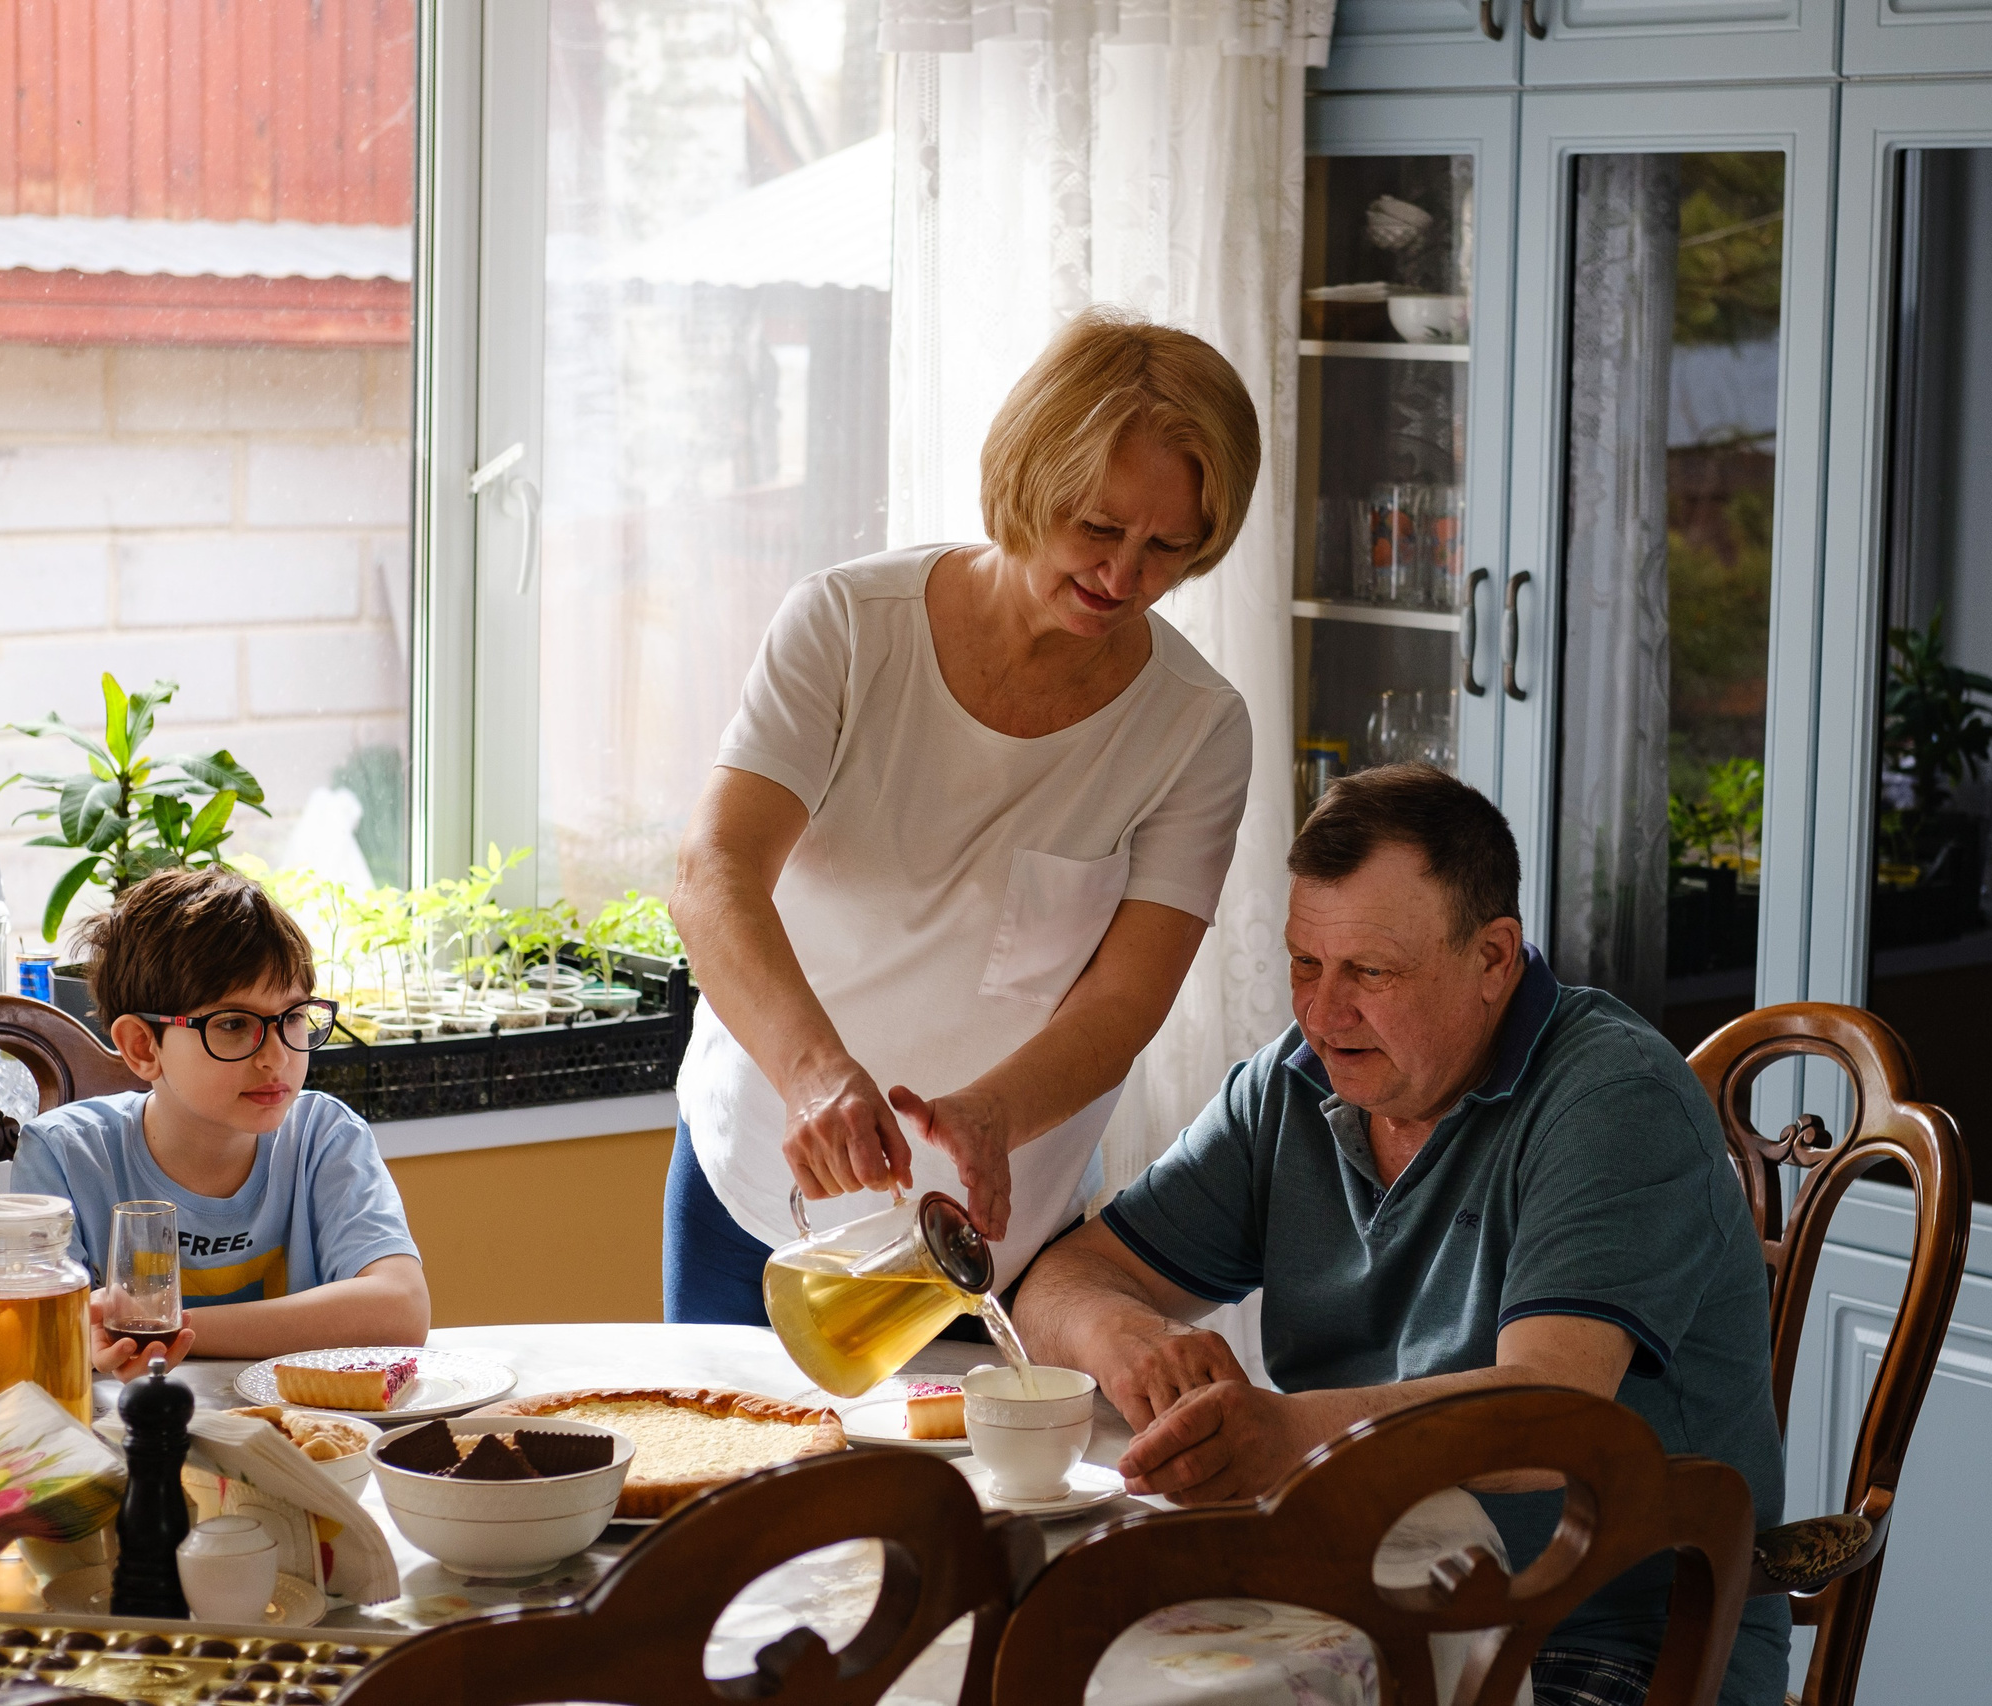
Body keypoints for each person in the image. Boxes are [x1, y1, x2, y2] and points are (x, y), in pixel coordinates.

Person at [1014, 764, 1788, 1706]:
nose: (1324, 1014)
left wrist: (1284, 1434)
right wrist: (1136, 1343)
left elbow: (1549, 1421)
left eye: (1370, 973)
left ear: (1494, 958)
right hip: (1368, 1590)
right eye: (1307, 964)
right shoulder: (1289, 1085)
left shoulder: (1612, 1096)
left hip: (1615, 1639)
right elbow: (1065, 1279)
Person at [665, 307, 1262, 1322]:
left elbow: (1122, 1003)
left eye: (1168, 545)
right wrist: (816, 1076)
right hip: (765, 1193)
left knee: (964, 1486)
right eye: (1099, 527)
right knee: (737, 1473)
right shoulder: (849, 628)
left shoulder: (1196, 727)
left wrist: (993, 1115)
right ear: (1032, 479)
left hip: (990, 1228)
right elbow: (712, 869)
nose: (1123, 577)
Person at [12, 867, 431, 1379]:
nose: (276, 1057)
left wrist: (163, 1328)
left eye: (294, 1017)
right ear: (143, 1046)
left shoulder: (323, 1136)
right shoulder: (62, 1156)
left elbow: (401, 1309)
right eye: (233, 1025)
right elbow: (42, 1343)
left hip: (295, 1440)